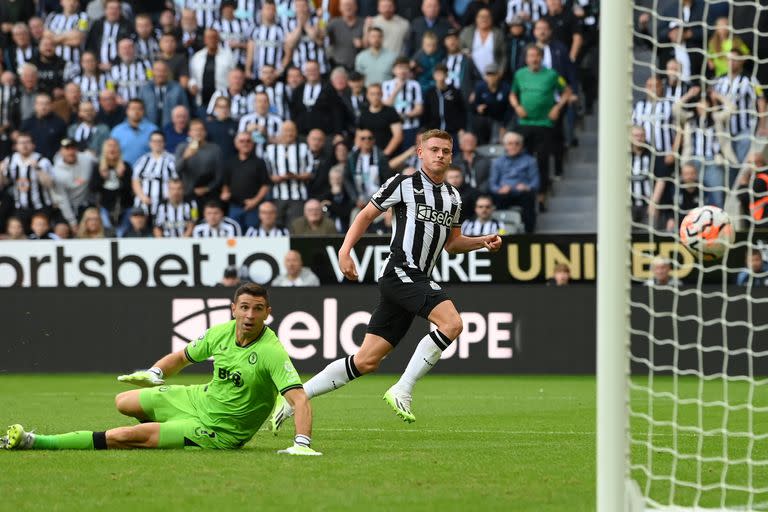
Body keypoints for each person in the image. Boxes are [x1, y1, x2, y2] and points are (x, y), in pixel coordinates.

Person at [269, 129, 502, 430]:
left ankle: (293, 399)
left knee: (366, 360)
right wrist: (345, 250)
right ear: (420, 153)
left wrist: (483, 241)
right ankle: (402, 388)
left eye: (445, 151)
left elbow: (453, 244)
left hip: (413, 279)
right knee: (452, 323)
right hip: (401, 271)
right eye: (434, 149)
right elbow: (366, 215)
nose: (440, 155)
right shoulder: (404, 184)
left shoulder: (454, 198)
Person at [2, 284, 320, 456]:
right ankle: (167, 429)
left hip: (219, 431)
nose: (250, 315)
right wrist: (156, 373)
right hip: (198, 400)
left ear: (268, 314)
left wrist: (301, 443)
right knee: (123, 401)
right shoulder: (220, 332)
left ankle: (35, 441)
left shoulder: (270, 351)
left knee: (125, 436)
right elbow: (180, 358)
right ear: (233, 309)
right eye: (245, 307)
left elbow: (300, 398)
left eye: (258, 309)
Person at [509, 44, 571, 208]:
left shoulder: (552, 74)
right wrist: (517, 107)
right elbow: (512, 94)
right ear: (526, 58)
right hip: (525, 123)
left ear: (541, 58)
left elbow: (567, 92)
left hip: (545, 124)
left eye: (536, 56)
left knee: (542, 160)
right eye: (530, 56)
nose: (534, 59)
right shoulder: (519, 74)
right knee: (523, 160)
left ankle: (542, 195)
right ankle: (524, 194)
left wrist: (557, 107)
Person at [489, 131, 539, 233]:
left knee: (529, 198)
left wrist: (527, 187)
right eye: (510, 143)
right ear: (505, 145)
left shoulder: (530, 161)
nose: (514, 146)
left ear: (521, 145)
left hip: (522, 193)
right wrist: (499, 190)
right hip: (504, 194)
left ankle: (529, 234)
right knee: (495, 198)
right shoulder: (497, 162)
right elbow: (492, 184)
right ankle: (498, 232)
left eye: (517, 143)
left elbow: (536, 183)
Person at [221, 132, 271, 231]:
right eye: (242, 141)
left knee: (252, 235)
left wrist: (254, 201)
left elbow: (266, 185)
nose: (245, 144)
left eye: (248, 141)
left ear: (253, 144)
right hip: (235, 206)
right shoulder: (230, 162)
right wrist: (225, 192)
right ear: (236, 144)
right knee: (235, 235)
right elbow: (225, 184)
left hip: (254, 207)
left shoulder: (259, 162)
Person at [51, 137, 96, 231]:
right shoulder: (56, 172)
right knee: (62, 229)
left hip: (85, 204)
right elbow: (62, 199)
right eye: (67, 149)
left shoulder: (87, 159)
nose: (70, 152)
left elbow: (101, 161)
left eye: (73, 148)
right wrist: (72, 222)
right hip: (66, 206)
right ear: (61, 151)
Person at [175, 119, 224, 205]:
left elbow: (219, 175)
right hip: (187, 194)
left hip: (209, 195)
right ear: (189, 133)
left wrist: (207, 188)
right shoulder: (182, 147)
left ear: (205, 132)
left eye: (201, 129)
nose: (198, 132)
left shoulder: (215, 149)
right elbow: (176, 170)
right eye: (195, 130)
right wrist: (185, 157)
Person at [131, 131, 177, 217]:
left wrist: (167, 199)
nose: (157, 144)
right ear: (150, 143)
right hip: (142, 205)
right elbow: (135, 180)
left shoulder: (171, 160)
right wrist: (142, 196)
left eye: (159, 141)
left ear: (164, 143)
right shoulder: (142, 160)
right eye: (154, 141)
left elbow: (175, 183)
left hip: (164, 206)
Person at [138, 60, 189, 129]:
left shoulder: (177, 89)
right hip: (149, 129)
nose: (160, 74)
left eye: (164, 71)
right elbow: (139, 109)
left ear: (168, 72)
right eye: (158, 71)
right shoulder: (144, 89)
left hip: (172, 129)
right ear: (152, 72)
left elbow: (185, 109)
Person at [358, 83, 403, 159]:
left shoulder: (390, 112)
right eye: (372, 94)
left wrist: (384, 154)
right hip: (368, 156)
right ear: (367, 96)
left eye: (378, 94)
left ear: (382, 95)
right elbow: (359, 136)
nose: (375, 97)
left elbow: (398, 136)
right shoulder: (363, 114)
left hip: (388, 155)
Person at [110, 98, 158, 167]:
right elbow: (111, 153)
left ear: (143, 111)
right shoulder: (117, 131)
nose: (136, 111)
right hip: (123, 172)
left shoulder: (153, 130)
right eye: (133, 109)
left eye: (139, 109)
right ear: (127, 111)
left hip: (147, 172)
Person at [19, 92, 67, 160]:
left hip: (53, 161)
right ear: (35, 105)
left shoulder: (60, 123)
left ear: (51, 105)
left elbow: (64, 143)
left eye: (46, 104)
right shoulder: (27, 123)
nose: (43, 107)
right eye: (40, 104)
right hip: (31, 161)